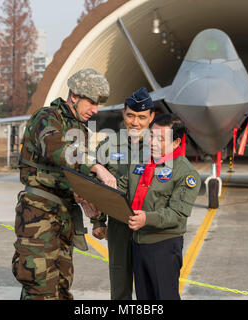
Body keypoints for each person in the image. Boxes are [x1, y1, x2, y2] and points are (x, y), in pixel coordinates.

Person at [12, 68, 116, 300]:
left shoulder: (80, 130)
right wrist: (96, 167)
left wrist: (98, 219)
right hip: (38, 215)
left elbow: (81, 179)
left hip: (64, 218)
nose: (95, 110)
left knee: (61, 287)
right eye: (91, 102)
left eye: (98, 104)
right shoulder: (46, 118)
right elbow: (57, 150)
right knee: (40, 288)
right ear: (74, 96)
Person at [118, 113, 201, 300]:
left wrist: (147, 218)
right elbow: (121, 189)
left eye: (160, 139)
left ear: (176, 143)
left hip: (163, 247)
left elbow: (177, 213)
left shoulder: (185, 173)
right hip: (138, 245)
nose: (152, 142)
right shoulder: (140, 162)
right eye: (152, 136)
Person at [92, 87, 155, 300]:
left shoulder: (160, 146)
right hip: (119, 225)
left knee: (152, 286)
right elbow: (96, 186)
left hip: (150, 226)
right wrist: (98, 222)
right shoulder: (108, 146)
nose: (135, 122)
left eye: (141, 117)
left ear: (151, 117)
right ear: (123, 114)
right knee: (120, 285)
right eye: (131, 116)